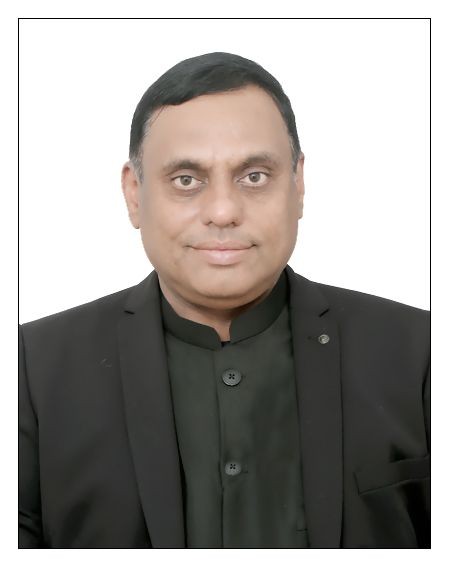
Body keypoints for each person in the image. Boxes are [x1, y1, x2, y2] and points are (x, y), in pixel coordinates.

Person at [19, 52, 430, 549]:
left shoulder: (421, 353)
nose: (222, 211)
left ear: (298, 185)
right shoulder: (29, 372)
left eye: (254, 176)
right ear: (134, 192)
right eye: (186, 180)